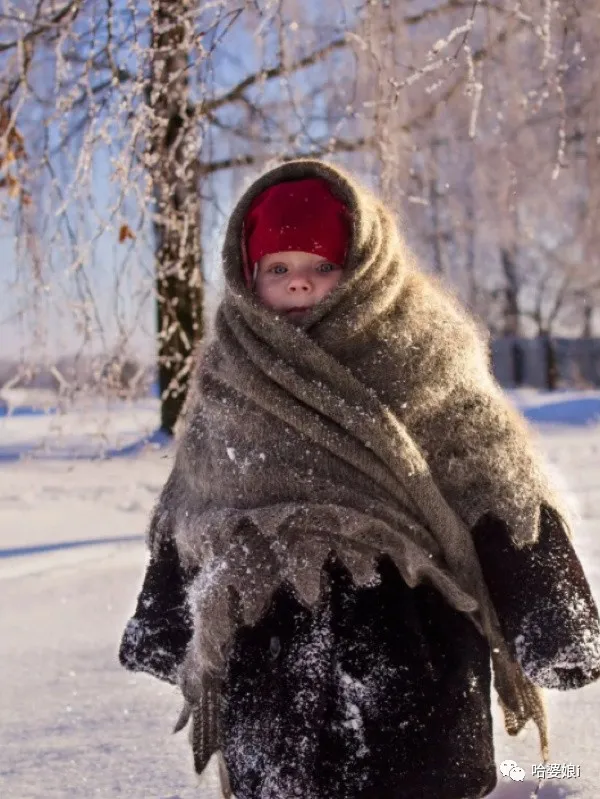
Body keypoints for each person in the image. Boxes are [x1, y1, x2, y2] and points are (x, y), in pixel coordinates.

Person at [119, 160, 600, 799]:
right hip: (270, 651)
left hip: (410, 633)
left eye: (322, 267)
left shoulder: (422, 351)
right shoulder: (231, 371)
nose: (300, 285)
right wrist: (163, 621)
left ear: (362, 264)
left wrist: (549, 615)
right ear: (248, 272)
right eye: (279, 269)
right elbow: (199, 503)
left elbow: (493, 479)